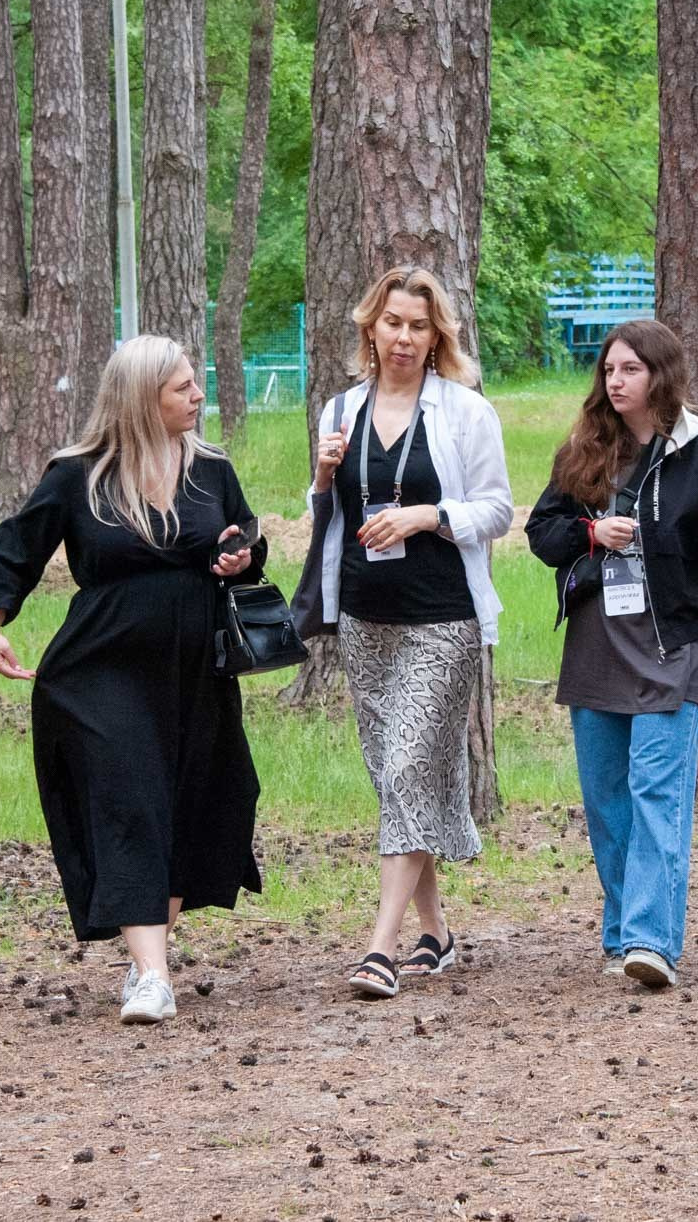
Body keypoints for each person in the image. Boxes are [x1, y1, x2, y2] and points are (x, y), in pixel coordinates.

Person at [0, 334, 267, 1026]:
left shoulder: (210, 468)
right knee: (131, 802)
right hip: (102, 669)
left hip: (195, 671)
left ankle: (143, 955)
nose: (198, 396)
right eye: (183, 387)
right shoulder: (78, 474)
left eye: (195, 383)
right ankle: (155, 978)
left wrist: (237, 557)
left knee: (191, 804)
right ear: (140, 399)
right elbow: (17, 546)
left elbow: (245, 537)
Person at [291, 266, 512, 1000]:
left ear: (437, 335)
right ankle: (437, 934)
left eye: (419, 327)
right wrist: (322, 480)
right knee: (394, 773)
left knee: (412, 764)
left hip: (442, 617)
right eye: (393, 324)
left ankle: (380, 949)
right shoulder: (340, 410)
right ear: (371, 328)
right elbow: (329, 516)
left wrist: (427, 516)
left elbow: (497, 509)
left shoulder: (464, 411)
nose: (404, 339)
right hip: (364, 616)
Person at [524, 319, 698, 990]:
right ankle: (623, 929)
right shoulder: (583, 451)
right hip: (598, 645)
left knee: (658, 790)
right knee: (607, 799)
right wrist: (592, 530)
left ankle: (654, 941)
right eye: (608, 370)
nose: (615, 380)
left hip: (672, 644)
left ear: (660, 375)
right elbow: (543, 534)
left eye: (629, 369)